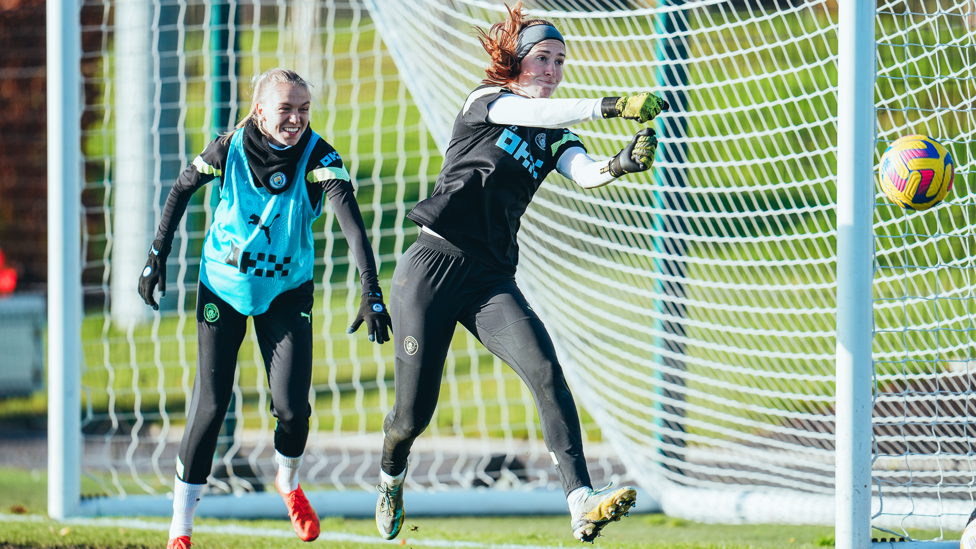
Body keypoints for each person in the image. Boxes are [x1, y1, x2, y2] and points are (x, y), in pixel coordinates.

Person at [373, 2, 667, 544]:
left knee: (547, 371)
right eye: (542, 59)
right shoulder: (486, 100)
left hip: (489, 280)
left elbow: (585, 172)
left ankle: (581, 501)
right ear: (514, 61)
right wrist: (609, 105)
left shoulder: (555, 132)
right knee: (411, 418)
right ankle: (391, 474)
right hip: (431, 267)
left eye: (560, 61)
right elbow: (534, 115)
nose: (552, 71)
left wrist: (621, 163)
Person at [137, 68, 392, 549]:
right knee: (209, 407)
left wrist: (371, 289)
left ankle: (288, 482)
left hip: (285, 292)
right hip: (222, 287)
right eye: (285, 109)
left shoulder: (320, 156)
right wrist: (156, 256)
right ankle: (180, 531)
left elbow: (350, 221)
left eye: (303, 109)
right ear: (260, 111)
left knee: (293, 409)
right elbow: (180, 188)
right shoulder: (228, 148)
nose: (296, 118)